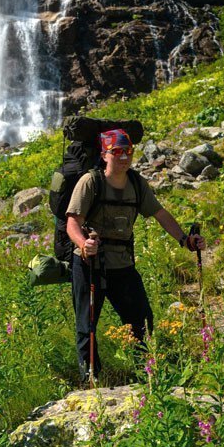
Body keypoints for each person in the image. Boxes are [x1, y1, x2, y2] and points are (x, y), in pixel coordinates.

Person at [66, 128, 204, 382]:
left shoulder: (137, 184)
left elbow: (161, 215)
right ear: (104, 154)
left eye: (127, 151)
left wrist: (185, 240)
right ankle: (91, 378)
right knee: (87, 326)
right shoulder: (90, 182)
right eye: (116, 152)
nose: (123, 157)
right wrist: (84, 243)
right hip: (89, 263)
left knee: (141, 319)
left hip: (123, 264)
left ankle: (146, 372)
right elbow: (72, 222)